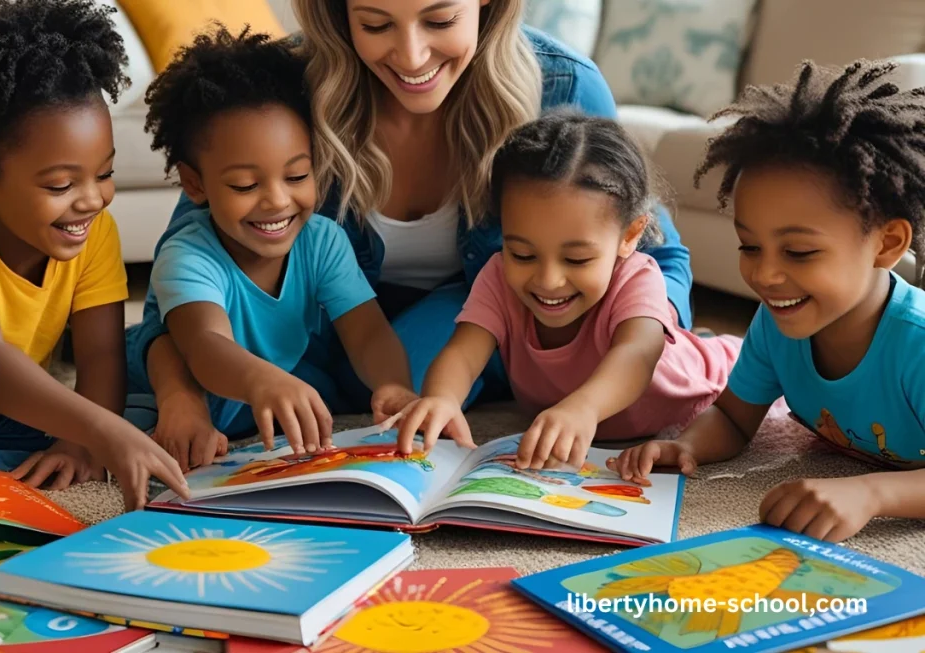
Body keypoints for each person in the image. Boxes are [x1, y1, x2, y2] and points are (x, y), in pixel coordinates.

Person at [127, 0, 695, 459]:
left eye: (441, 19)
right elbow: (188, 276)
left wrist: (638, 336)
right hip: (321, 324)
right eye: (376, 23)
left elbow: (653, 253)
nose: (412, 53)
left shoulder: (561, 86)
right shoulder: (273, 91)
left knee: (424, 376)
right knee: (230, 366)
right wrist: (181, 398)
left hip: (476, 317)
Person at [608, 59, 925, 542]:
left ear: (886, 244)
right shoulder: (777, 322)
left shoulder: (916, 346)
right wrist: (687, 445)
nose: (765, 274)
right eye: (749, 246)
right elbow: (735, 416)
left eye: (798, 251)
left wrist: (872, 494)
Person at [0, 0, 188, 510]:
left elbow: (99, 355)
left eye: (104, 173)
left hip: (15, 414)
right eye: (60, 184)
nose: (92, 199)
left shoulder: (94, 233)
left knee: (140, 418)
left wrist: (84, 438)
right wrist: (101, 431)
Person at [396, 109, 740, 467]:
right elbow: (463, 353)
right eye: (523, 254)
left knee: (731, 366)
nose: (548, 280)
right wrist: (442, 399)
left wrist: (584, 407)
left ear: (630, 237)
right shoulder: (498, 276)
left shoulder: (638, 276)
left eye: (576, 260)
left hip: (709, 382)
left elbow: (637, 355)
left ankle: (704, 343)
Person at [138, 26, 417, 466]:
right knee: (136, 433)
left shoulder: (322, 240)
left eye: (296, 176)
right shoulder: (188, 254)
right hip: (178, 384)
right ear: (195, 184)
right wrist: (261, 382)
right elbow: (204, 345)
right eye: (246, 184)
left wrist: (394, 384)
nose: (277, 200)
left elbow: (366, 332)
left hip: (265, 384)